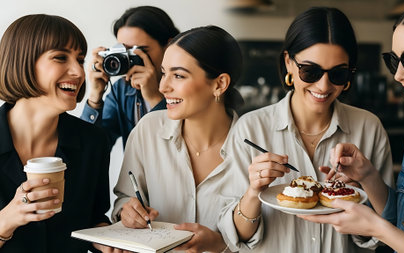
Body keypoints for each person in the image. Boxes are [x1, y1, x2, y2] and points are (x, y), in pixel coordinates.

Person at [217, 7, 395, 253]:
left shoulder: (369, 128)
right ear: (289, 62)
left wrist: (365, 182)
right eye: (310, 71)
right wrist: (253, 191)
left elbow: (388, 233)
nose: (323, 85)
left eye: (338, 73)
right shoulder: (250, 129)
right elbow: (235, 236)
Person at [299, 1, 404, 252]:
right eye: (395, 61)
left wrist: (377, 229)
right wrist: (368, 176)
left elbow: (390, 233)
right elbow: (403, 223)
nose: (398, 75)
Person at [112, 25, 244, 252]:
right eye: (164, 73)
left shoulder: (254, 147)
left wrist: (221, 245)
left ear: (219, 84)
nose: (163, 86)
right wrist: (127, 211)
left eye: (179, 75)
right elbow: (124, 199)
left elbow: (274, 238)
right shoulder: (148, 129)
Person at [0, 14, 111, 252]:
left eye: (79, 60)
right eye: (60, 57)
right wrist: (6, 221)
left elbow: (94, 219)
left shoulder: (93, 142)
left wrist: (107, 241)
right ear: (23, 62)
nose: (79, 72)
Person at [81, 6, 179, 150]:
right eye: (125, 51)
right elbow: (91, 149)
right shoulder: (122, 90)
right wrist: (95, 97)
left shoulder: (187, 84)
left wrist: (154, 98)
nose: (131, 59)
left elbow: (186, 145)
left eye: (140, 51)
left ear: (169, 46)